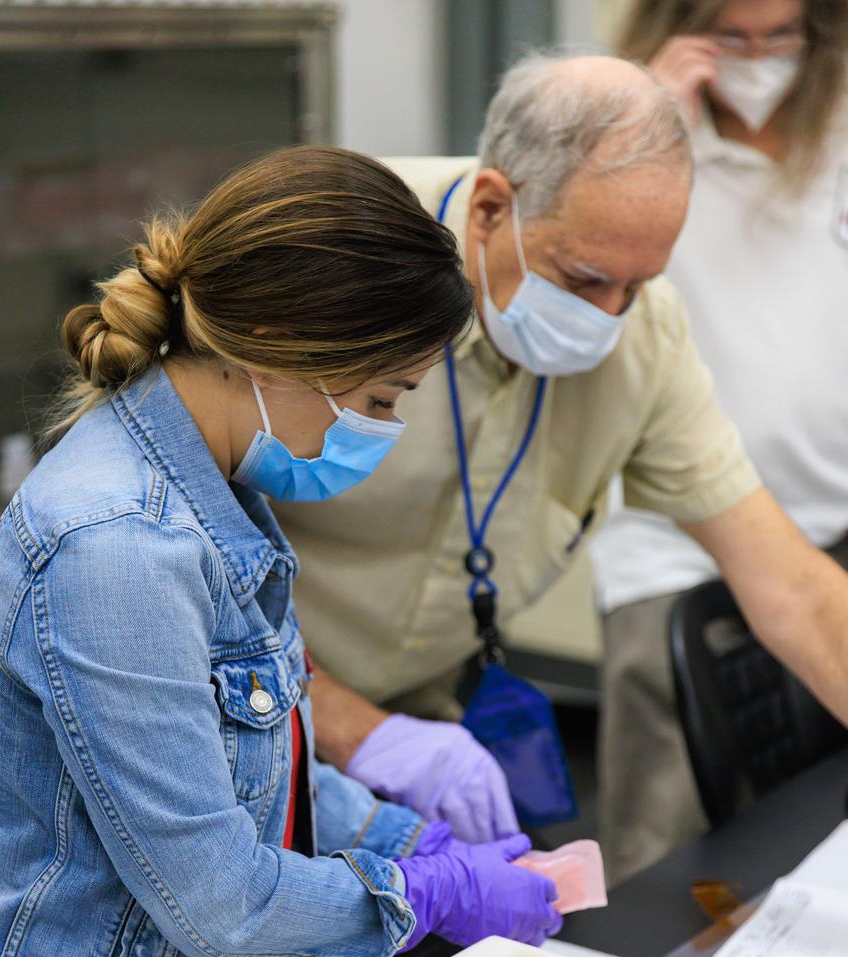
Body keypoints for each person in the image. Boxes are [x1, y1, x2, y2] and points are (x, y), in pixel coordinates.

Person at [0, 145, 563, 957]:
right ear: (285, 357)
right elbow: (213, 894)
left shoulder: (218, 501)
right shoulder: (119, 547)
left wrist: (407, 829)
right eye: (378, 397)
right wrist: (417, 892)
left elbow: (254, 771)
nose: (378, 433)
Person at [277, 51, 848, 862]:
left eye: (636, 285)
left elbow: (789, 587)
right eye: (582, 280)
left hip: (425, 734)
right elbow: (166, 565)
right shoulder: (333, 254)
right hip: (228, 717)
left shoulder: (642, 339)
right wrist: (348, 728)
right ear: (488, 209)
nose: (607, 317)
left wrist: (391, 742)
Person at [590, 0, 848, 882]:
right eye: (733, 37)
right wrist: (641, 125)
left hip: (830, 532)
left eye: (781, 36)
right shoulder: (625, 131)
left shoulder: (838, 123)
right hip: (669, 550)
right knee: (665, 860)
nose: (760, 59)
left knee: (815, 828)